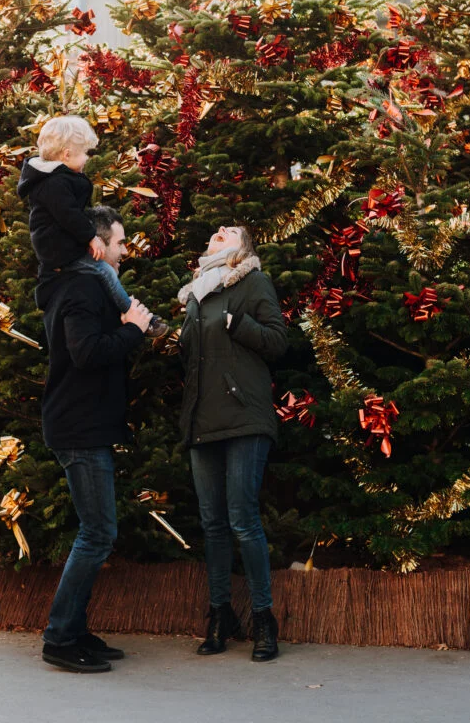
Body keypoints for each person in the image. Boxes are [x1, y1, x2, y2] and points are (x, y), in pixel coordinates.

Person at [36, 205, 152, 673]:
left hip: (83, 423)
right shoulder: (83, 287)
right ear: (97, 246)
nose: (125, 253)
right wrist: (133, 331)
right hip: (78, 426)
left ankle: (76, 630)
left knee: (97, 531)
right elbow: (86, 353)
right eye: (120, 243)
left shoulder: (80, 284)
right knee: (98, 533)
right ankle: (60, 637)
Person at [178, 225, 288, 663]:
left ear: (242, 249)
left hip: (244, 417)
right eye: (217, 230)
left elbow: (279, 341)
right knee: (213, 524)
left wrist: (238, 324)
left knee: (243, 520)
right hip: (202, 420)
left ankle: (264, 618)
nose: (219, 231)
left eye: (230, 231)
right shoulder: (195, 293)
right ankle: (220, 615)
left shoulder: (252, 281)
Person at [18, 115, 166, 337]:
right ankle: (134, 313)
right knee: (104, 270)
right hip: (58, 250)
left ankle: (129, 309)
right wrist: (90, 237)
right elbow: (68, 215)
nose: (87, 158)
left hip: (63, 246)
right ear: (67, 154)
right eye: (84, 153)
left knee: (101, 271)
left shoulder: (59, 178)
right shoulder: (54, 183)